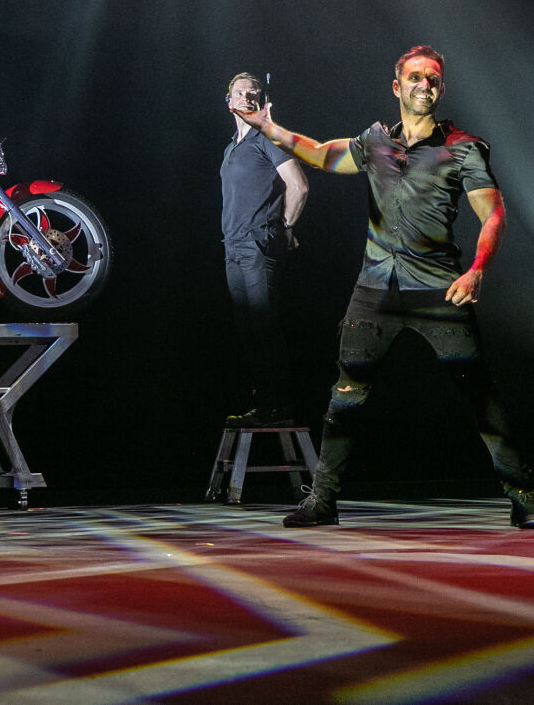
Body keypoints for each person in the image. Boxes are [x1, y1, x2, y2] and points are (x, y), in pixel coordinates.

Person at [234, 45, 533, 529]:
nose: (424, 85)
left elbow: (493, 212)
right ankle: (323, 501)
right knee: (346, 394)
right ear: (398, 86)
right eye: (415, 77)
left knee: (479, 394)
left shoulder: (463, 147)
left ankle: (525, 497)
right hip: (375, 289)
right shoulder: (375, 143)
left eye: (432, 79)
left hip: (439, 290)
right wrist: (268, 127)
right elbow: (320, 155)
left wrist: (477, 268)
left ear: (440, 88)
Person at [221, 72, 308, 427]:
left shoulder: (266, 138)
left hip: (258, 244)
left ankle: (278, 405)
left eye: (253, 93)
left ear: (262, 102)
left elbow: (299, 186)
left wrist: (285, 227)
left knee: (263, 325)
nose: (245, 97)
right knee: (248, 328)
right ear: (228, 101)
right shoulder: (233, 146)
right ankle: (264, 402)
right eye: (239, 92)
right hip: (233, 246)